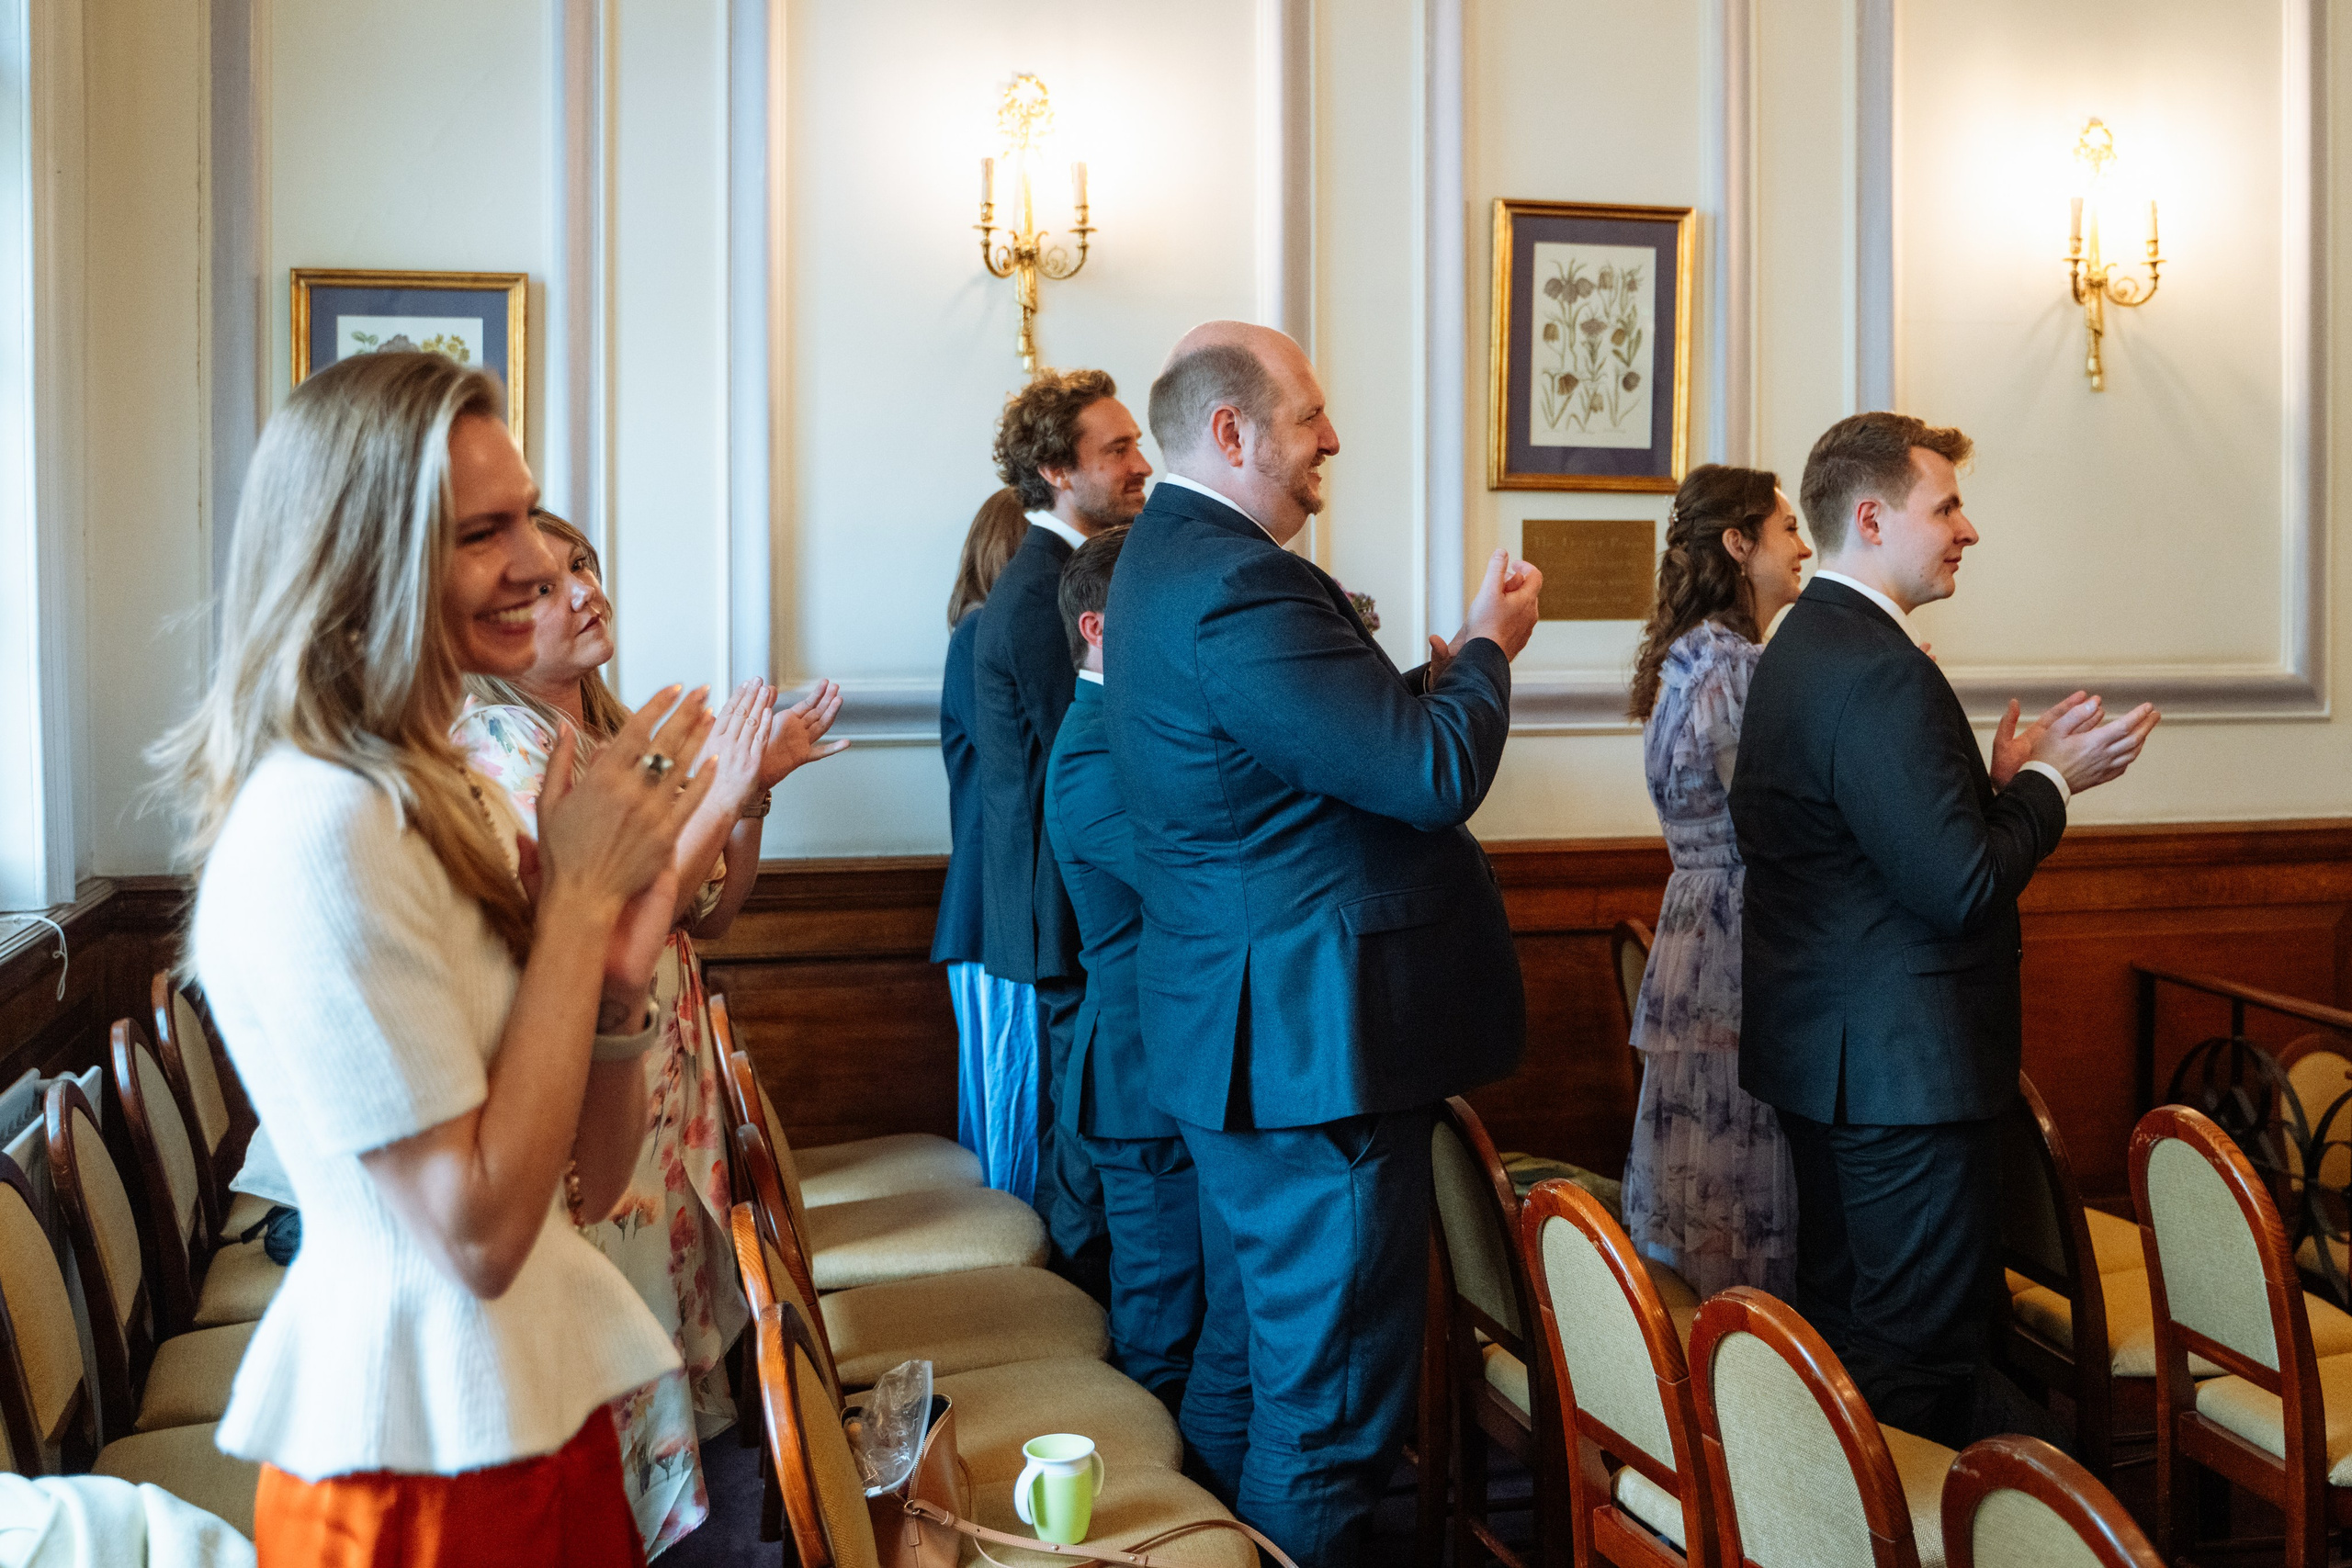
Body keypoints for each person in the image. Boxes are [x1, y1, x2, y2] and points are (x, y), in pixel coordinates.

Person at [161, 350, 707, 1564]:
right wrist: (572, 904)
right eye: (481, 532)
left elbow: (591, 1177)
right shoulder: (316, 824)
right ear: (360, 559)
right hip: (418, 1459)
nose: (534, 563)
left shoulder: (441, 789)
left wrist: (616, 975)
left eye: (528, 517)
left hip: (530, 1406)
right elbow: (477, 1232)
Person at [1103, 321, 1542, 1567]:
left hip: (1243, 1036)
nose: (1333, 439)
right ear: (1232, 432)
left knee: (1248, 1366)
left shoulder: (1164, 561)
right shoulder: (1242, 577)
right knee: (1332, 1413)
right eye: (1309, 418)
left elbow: (1298, 753)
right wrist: (1488, 659)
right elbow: (1428, 770)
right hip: (1310, 1053)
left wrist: (1432, 672)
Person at [1732, 411, 2160, 1445]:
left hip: (1836, 1062)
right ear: (1872, 518)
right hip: (1898, 1076)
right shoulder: (1877, 667)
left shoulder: (1806, 645)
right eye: (1947, 507)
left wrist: (1997, 783)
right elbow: (1959, 886)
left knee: (1855, 1327)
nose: (1968, 530)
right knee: (1912, 1355)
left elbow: (1878, 845)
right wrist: (2055, 783)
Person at [452, 509, 844, 1553]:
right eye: (542, 587)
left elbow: (708, 912)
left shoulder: (618, 738)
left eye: (580, 567)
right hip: (593, 1071)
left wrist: (749, 800)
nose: (581, 590)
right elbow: (617, 915)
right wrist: (730, 784)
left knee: (664, 1324)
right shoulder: (501, 747)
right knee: (616, 1339)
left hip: (658, 1070)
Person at [975, 369, 1150, 1278]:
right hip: (1072, 910)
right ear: (1053, 469)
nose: (1141, 464)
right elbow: (1084, 769)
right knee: (1088, 1150)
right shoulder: (1043, 596)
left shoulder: (1062, 575)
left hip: (1075, 907)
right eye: (1116, 449)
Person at [1620, 465, 1810, 1299]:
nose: (1804, 547)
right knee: (1743, 1166)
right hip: (1741, 921)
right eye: (1788, 528)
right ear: (1740, 544)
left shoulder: (1687, 659)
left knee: (1716, 1162)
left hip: (1698, 914)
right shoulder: (1737, 667)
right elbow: (1770, 824)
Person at [1043, 526, 1203, 1413]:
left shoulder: (1133, 729)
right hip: (1137, 1076)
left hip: (1172, 1063)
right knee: (1161, 1322)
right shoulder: (1088, 754)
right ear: (1100, 628)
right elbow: (1187, 871)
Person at [936, 487, 1042, 1199]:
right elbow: (1025, 767)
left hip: (1011, 918)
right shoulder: (982, 637)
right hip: (994, 920)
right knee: (1014, 1126)